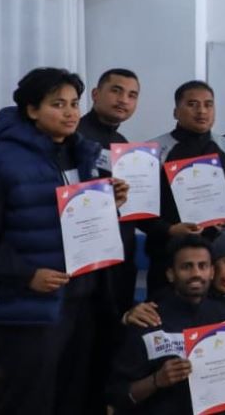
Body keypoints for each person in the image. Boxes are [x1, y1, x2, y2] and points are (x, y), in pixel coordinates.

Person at [0, 67, 129, 415]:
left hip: (85, 298)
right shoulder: (0, 161)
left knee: (76, 397)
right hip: (30, 306)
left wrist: (108, 203)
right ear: (32, 110)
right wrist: (27, 275)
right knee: (30, 401)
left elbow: (71, 220)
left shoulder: (81, 154)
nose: (70, 113)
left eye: (74, 103)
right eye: (57, 104)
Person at [108, 235, 225, 415]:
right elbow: (117, 395)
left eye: (203, 266)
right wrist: (156, 380)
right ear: (171, 274)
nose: (196, 273)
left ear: (212, 272)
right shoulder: (148, 318)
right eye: (187, 266)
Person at [143, 80, 225, 298]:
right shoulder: (153, 150)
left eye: (208, 104)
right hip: (167, 257)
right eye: (192, 104)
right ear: (176, 112)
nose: (202, 111)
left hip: (218, 260)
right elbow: (139, 209)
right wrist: (168, 229)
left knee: (214, 316)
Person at [78, 68, 142, 314]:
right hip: (86, 253)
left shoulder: (124, 145)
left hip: (120, 252)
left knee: (116, 324)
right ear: (95, 94)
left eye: (132, 95)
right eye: (116, 91)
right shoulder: (74, 136)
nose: (124, 100)